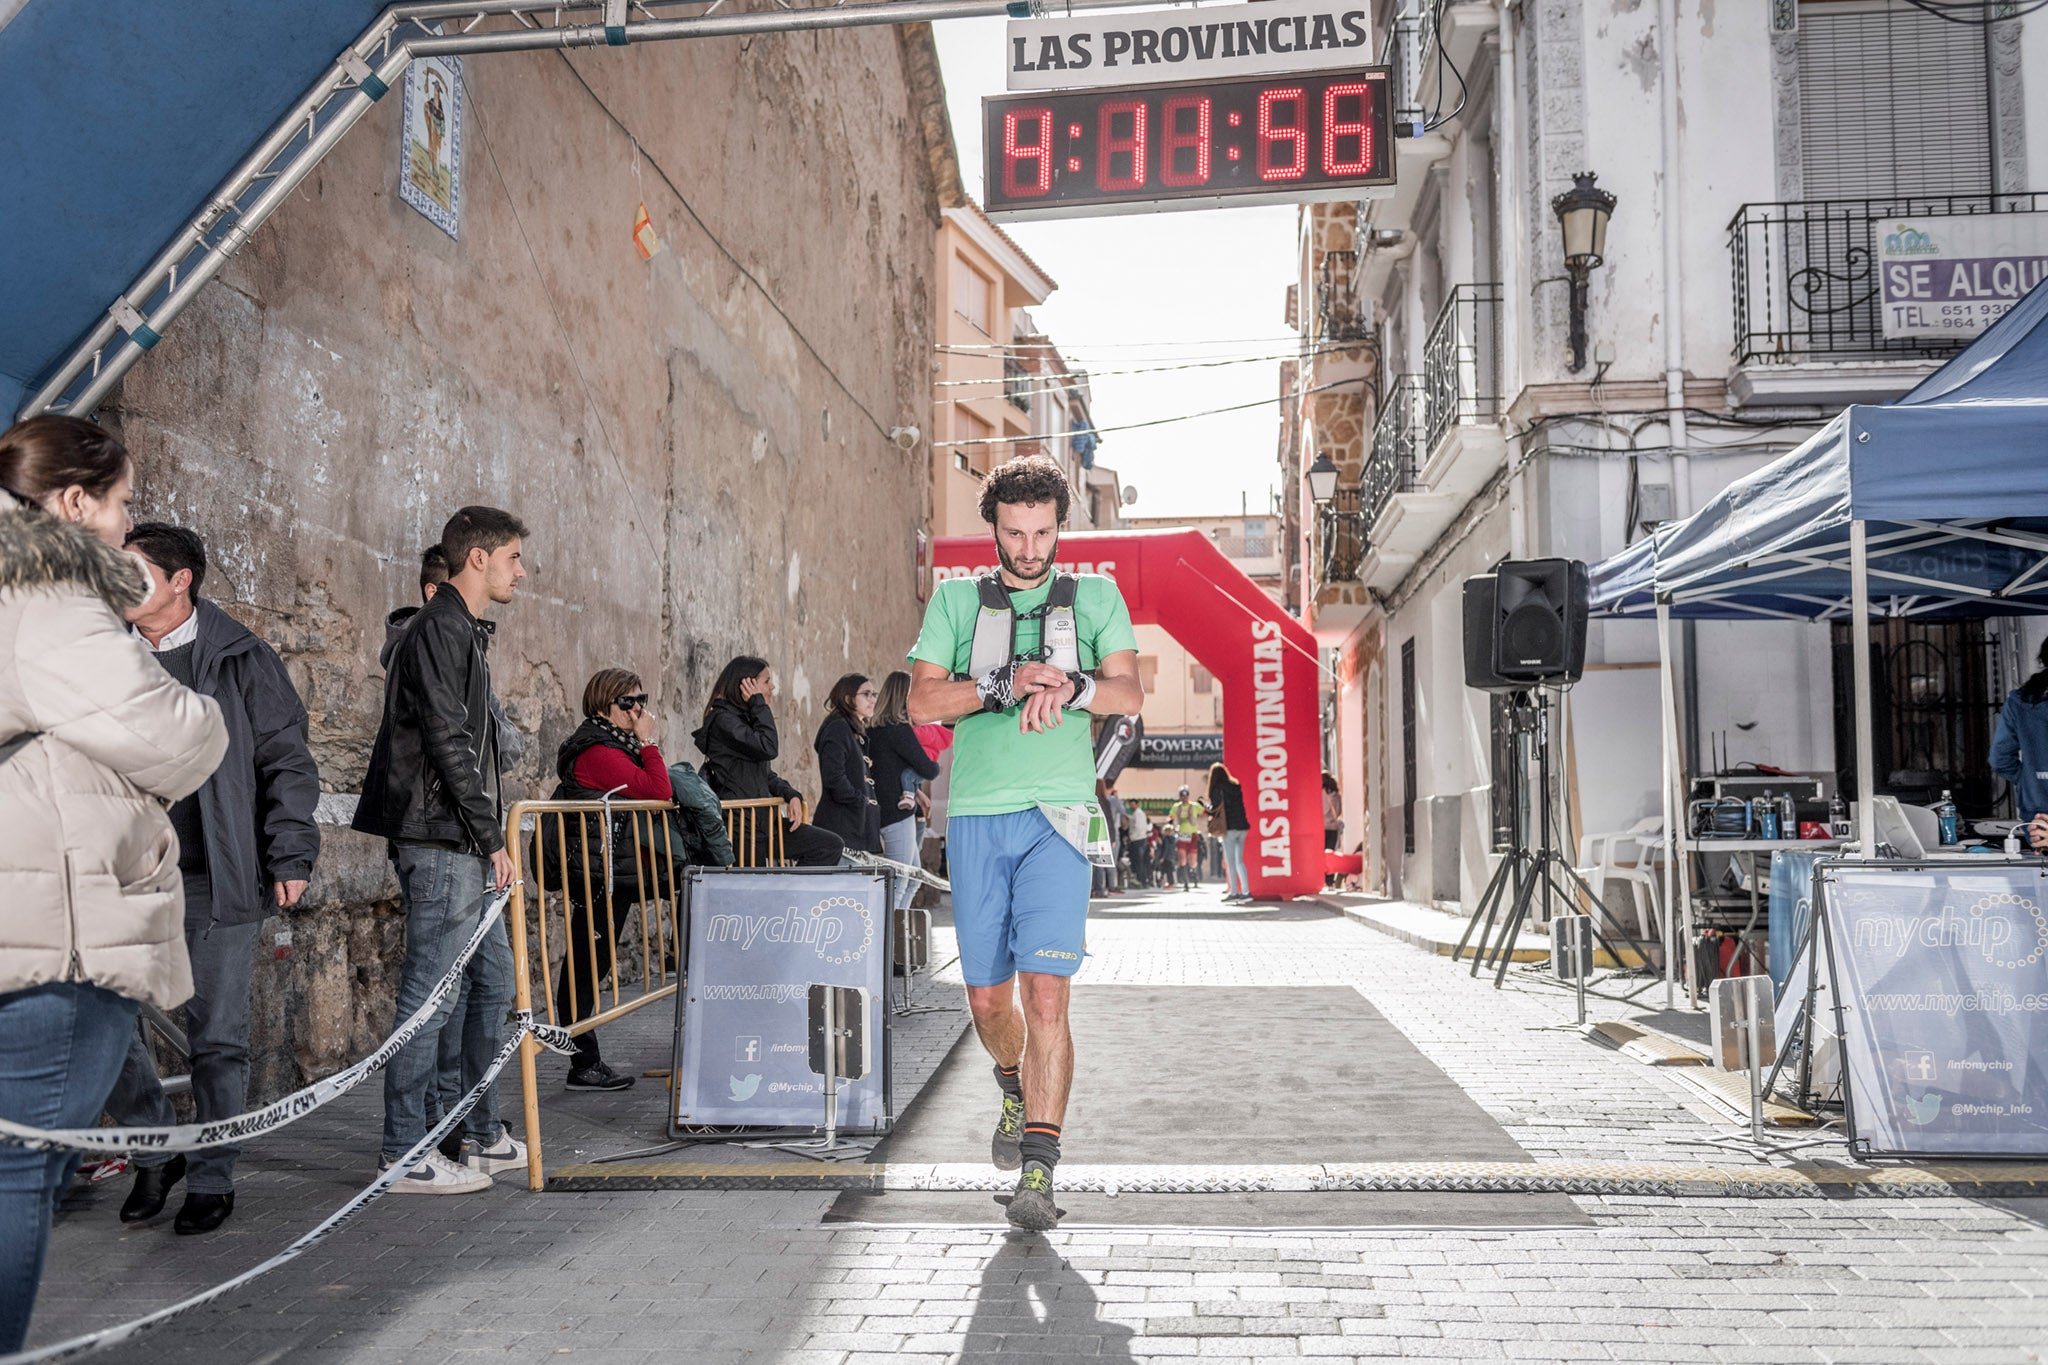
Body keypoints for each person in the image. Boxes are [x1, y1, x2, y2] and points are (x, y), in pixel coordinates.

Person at [0, 416, 228, 1350]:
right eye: (123, 503)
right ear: (73, 501)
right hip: (48, 922)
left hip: (34, 902)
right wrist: (200, 705)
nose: (129, 526)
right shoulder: (44, 587)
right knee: (20, 1170)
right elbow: (168, 732)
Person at [907, 455, 1141, 1231]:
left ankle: (1039, 1169)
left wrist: (1071, 686)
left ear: (1059, 526)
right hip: (976, 814)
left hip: (1060, 815)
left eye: (1042, 532)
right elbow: (921, 700)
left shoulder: (1097, 596)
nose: (1030, 547)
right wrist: (1003, 684)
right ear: (994, 528)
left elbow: (1130, 692)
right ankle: (1013, 1083)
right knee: (986, 998)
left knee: (1047, 994)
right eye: (1015, 532)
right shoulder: (956, 600)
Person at [104, 524, 321, 1234]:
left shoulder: (241, 657)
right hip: (123, 876)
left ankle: (212, 1175)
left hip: (218, 875)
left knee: (217, 1036)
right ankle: (154, 1146)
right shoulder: (102, 655)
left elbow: (286, 758)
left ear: (179, 582)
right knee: (100, 1024)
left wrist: (289, 852)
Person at [353, 505, 529, 1193]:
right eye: (513, 556)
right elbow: (447, 741)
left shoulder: (465, 632)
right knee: (430, 993)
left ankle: (474, 1131)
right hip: (441, 839)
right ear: (477, 557)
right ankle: (404, 1152)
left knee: (490, 984)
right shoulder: (438, 628)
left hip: (461, 838)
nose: (521, 570)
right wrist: (492, 839)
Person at [549, 668, 674, 1091]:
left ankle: (581, 1058)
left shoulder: (614, 744)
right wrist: (650, 742)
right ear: (605, 704)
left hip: (610, 871)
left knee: (591, 962)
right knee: (586, 964)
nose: (638, 709)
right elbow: (658, 790)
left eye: (641, 699)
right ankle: (582, 1062)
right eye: (628, 702)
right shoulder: (600, 751)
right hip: (596, 873)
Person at [691, 656, 843, 867]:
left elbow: (764, 774)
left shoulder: (747, 719)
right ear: (746, 685)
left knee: (828, 845)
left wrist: (791, 794)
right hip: (739, 827)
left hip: (763, 824)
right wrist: (758, 704)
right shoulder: (723, 720)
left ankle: (794, 898)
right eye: (766, 681)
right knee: (754, 892)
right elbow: (769, 747)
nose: (773, 687)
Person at [383, 545, 524, 772]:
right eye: (462, 593)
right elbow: (457, 742)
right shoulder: (427, 648)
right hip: (433, 802)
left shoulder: (464, 646)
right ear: (433, 593)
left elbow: (509, 747)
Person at [869, 671, 941, 911]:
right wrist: (934, 764)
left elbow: (888, 768)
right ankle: (886, 943)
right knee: (899, 882)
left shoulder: (873, 729)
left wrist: (915, 789)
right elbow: (928, 769)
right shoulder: (898, 729)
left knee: (910, 880)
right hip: (897, 815)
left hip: (883, 809)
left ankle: (895, 939)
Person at [813, 673, 882, 855]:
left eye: (874, 694)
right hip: (842, 826)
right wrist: (860, 800)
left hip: (856, 826)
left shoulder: (854, 730)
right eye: (866, 694)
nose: (872, 700)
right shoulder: (838, 728)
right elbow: (834, 777)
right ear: (848, 699)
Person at [1208, 762, 1252, 903]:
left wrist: (1206, 806)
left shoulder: (1217, 789)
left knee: (1231, 862)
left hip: (1229, 828)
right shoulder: (1235, 786)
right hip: (1242, 826)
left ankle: (1234, 892)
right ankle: (1246, 891)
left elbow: (1214, 808)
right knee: (1240, 861)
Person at [1167, 785, 1206, 890]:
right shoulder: (1176, 807)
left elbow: (1204, 812)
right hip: (1182, 834)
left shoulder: (1194, 806)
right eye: (1182, 795)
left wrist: (1204, 806)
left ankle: (1194, 876)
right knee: (1182, 859)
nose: (1184, 797)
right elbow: (1170, 816)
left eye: (1186, 795)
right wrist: (1170, 823)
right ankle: (1185, 882)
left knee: (1193, 861)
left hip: (1193, 834)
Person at [1322, 773, 1344, 887]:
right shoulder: (1336, 795)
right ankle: (1330, 880)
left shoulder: (1321, 794)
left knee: (1320, 854)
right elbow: (1339, 811)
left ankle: (1322, 879)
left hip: (1322, 827)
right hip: (1333, 828)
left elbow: (1321, 811)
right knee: (1331, 854)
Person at [1124, 799, 1150, 889]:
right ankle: (1141, 881)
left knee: (1139, 862)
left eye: (1133, 804)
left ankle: (1142, 882)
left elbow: (1138, 827)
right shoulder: (1136, 814)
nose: (1131, 806)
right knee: (1138, 862)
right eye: (1130, 805)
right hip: (1137, 840)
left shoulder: (1138, 814)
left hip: (1138, 840)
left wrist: (1131, 837)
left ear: (1137, 804)